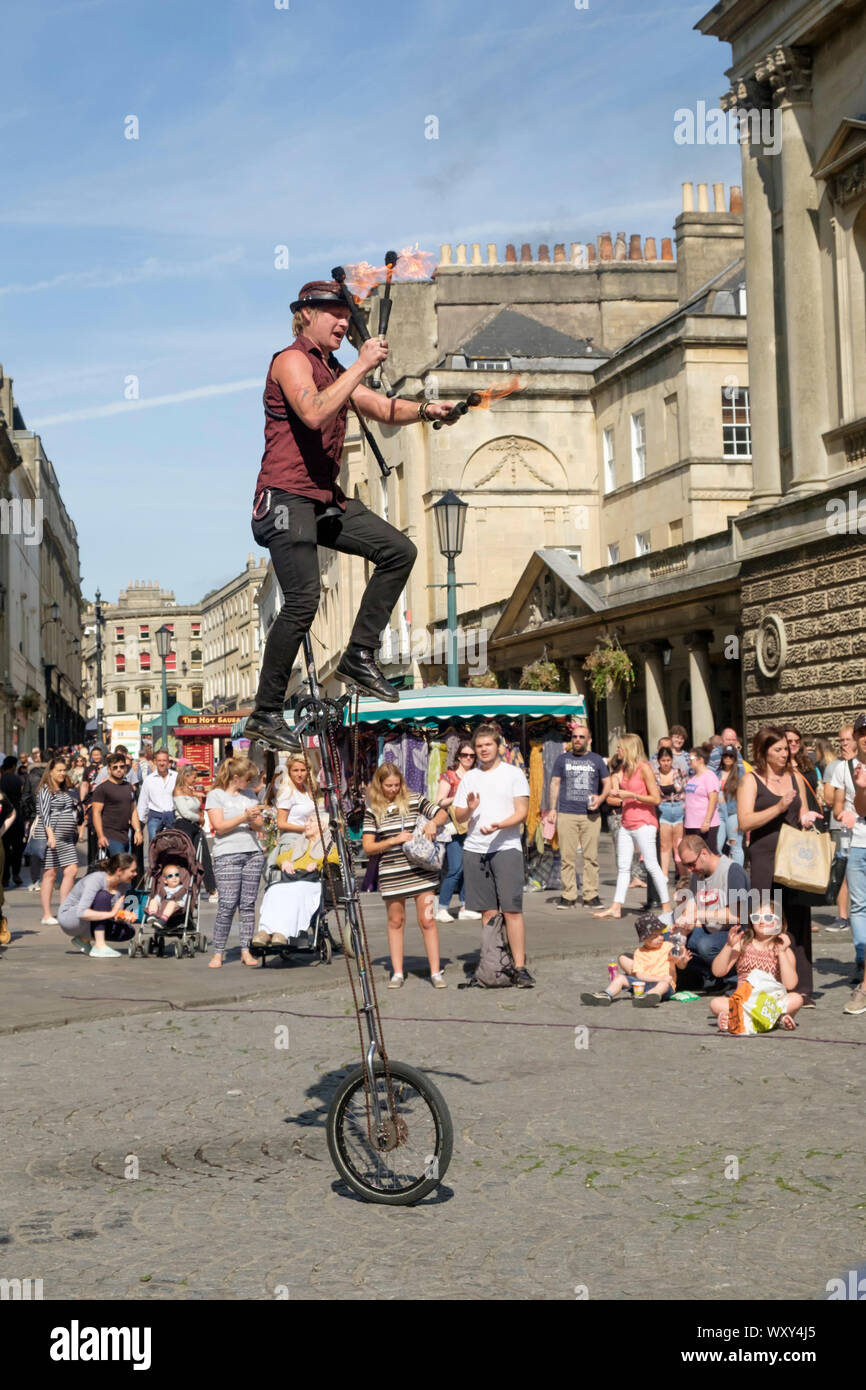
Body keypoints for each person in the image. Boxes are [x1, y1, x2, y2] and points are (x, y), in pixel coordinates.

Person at [243, 278, 461, 754]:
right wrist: (362, 363)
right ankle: (264, 712)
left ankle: (359, 654)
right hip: (285, 499)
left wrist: (427, 410)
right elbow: (315, 412)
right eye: (334, 314)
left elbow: (381, 407)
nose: (344, 322)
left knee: (398, 549)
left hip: (322, 500)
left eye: (347, 314)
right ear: (305, 315)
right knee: (303, 599)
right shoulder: (291, 361)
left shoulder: (333, 367)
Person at [737, 725, 821, 1006]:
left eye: (786, 748)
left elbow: (802, 811)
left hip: (794, 857)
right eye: (778, 750)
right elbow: (745, 822)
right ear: (763, 752)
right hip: (764, 856)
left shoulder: (795, 776)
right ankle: (763, 984)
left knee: (798, 920)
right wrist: (777, 807)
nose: (785, 754)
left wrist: (806, 816)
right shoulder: (751, 780)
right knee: (765, 921)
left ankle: (802, 989)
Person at [453, 724, 534, 987]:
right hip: (475, 849)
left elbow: (522, 811)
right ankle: (492, 964)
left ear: (498, 746)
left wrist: (500, 825)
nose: (483, 750)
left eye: (488, 745)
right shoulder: (470, 778)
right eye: (478, 746)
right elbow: (459, 816)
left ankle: (519, 966)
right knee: (487, 912)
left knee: (512, 910)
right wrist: (470, 808)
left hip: (506, 847)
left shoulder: (513, 774)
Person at [362, 763, 451, 988]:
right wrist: (393, 840)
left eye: (396, 784)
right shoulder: (373, 810)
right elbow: (368, 847)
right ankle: (398, 972)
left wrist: (432, 823)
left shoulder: (414, 799)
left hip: (422, 870)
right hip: (392, 872)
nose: (393, 789)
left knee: (428, 920)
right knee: (395, 921)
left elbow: (442, 813)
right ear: (379, 785)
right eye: (388, 785)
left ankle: (435, 972)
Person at [593, 734, 671, 923]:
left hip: (644, 823)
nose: (617, 750)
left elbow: (656, 799)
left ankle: (667, 907)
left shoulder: (644, 768)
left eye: (620, 747)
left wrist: (632, 795)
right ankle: (616, 906)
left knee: (652, 865)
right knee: (623, 867)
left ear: (629, 748)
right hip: (626, 823)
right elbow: (617, 792)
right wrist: (615, 790)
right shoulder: (623, 768)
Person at [204, 755, 266, 969]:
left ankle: (245, 949)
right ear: (236, 777)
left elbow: (259, 827)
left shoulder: (249, 795)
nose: (250, 785)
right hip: (227, 853)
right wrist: (243, 817)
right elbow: (219, 827)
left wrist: (256, 819)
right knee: (227, 904)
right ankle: (218, 952)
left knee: (248, 905)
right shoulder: (215, 795)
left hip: (252, 852)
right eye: (248, 780)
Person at [674, 832, 751, 988]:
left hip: (738, 933)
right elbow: (690, 909)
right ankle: (711, 976)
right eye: (686, 865)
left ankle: (733, 977)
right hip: (711, 932)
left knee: (705, 945)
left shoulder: (731, 870)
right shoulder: (698, 874)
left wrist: (697, 914)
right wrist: (681, 932)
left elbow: (737, 915)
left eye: (691, 864)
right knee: (674, 943)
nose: (689, 870)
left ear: (703, 853)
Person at [546, 721, 610, 909]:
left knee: (591, 857)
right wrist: (552, 809)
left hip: (591, 815)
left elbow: (608, 783)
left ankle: (591, 895)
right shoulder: (562, 759)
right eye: (574, 737)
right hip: (567, 813)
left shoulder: (597, 760)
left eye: (581, 737)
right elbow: (555, 784)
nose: (577, 740)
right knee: (568, 858)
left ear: (588, 740)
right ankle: (568, 895)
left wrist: (601, 798)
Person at [708, 908, 804, 1033]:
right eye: (756, 917)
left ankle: (737, 1019)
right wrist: (729, 945)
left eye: (768, 918)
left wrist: (781, 951)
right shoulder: (743, 943)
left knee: (796, 999)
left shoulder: (784, 950)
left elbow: (790, 984)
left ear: (779, 923)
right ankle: (774, 1020)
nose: (762, 921)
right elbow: (718, 971)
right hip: (744, 1001)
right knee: (716, 1003)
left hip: (770, 1003)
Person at [581, 912, 692, 1008]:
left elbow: (679, 964)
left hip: (665, 985)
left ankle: (649, 997)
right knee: (620, 978)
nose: (659, 938)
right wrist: (659, 977)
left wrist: (683, 960)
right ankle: (606, 994)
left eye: (660, 934)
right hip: (645, 983)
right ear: (644, 939)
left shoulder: (667, 946)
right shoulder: (639, 952)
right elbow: (639, 975)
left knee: (663, 985)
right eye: (654, 936)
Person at [56, 851, 138, 959]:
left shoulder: (124, 885)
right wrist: (112, 913)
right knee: (103, 896)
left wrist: (122, 915)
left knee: (128, 931)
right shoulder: (96, 879)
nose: (135, 874)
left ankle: (83, 940)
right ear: (119, 871)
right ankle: (100, 946)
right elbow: (82, 912)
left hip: (89, 921)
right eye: (132, 871)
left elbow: (115, 913)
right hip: (70, 917)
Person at [435, 742, 482, 922]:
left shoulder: (477, 776)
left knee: (468, 868)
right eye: (464, 755)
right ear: (458, 756)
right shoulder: (449, 776)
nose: (468, 758)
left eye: (471, 755)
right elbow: (439, 802)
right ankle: (442, 907)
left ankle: (465, 905)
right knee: (455, 867)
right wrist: (458, 796)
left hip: (472, 826)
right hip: (454, 827)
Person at [35, 757, 81, 925]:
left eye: (64, 770)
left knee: (72, 870)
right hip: (51, 837)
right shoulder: (45, 790)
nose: (62, 773)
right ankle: (47, 915)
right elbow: (44, 814)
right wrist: (51, 836)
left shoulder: (63, 789)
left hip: (67, 838)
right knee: (50, 874)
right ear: (51, 771)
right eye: (59, 770)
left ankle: (64, 909)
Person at [823, 724, 856, 933]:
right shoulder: (834, 767)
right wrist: (842, 799)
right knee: (843, 870)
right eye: (841, 740)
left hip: (859, 825)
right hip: (841, 828)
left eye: (847, 739)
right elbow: (828, 798)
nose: (844, 743)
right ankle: (843, 915)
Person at [172, 766, 217, 897]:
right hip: (184, 825)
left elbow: (196, 807)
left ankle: (211, 888)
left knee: (204, 856)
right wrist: (200, 818)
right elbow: (184, 812)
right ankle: (183, 886)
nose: (195, 780)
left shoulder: (191, 791)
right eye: (194, 777)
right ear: (185, 776)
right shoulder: (178, 790)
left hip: (195, 825)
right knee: (186, 858)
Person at [91, 752, 143, 857]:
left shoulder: (128, 787)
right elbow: (96, 813)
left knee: (123, 869)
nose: (119, 769)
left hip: (125, 835)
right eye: (115, 767)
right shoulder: (102, 788)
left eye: (121, 766)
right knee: (121, 868)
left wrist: (137, 830)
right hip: (109, 836)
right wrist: (101, 836)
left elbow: (133, 811)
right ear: (109, 770)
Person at [654, 746, 686, 883]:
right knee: (664, 845)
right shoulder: (654, 775)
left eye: (668, 760)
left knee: (678, 846)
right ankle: (664, 875)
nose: (666, 763)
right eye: (663, 760)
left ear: (672, 760)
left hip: (678, 808)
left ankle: (683, 875)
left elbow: (686, 789)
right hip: (663, 809)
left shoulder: (679, 772)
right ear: (658, 761)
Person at [683, 743, 720, 850]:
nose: (689, 760)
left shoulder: (709, 776)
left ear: (700, 759)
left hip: (704, 824)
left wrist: (707, 821)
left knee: (708, 853)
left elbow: (713, 799)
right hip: (691, 824)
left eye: (691, 758)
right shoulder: (693, 777)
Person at [137, 749, 177, 842]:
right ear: (155, 762)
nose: (162, 763)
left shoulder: (176, 777)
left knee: (175, 845)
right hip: (155, 816)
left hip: (172, 815)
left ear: (168, 762)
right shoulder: (149, 780)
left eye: (164, 760)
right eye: (159, 760)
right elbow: (143, 802)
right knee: (154, 844)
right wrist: (139, 825)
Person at [716, 744, 744, 866]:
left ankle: (738, 877)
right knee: (716, 846)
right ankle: (721, 873)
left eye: (731, 756)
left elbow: (744, 795)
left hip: (734, 814)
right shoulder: (716, 773)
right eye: (725, 755)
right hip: (718, 814)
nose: (728, 758)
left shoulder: (739, 774)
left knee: (735, 846)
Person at [1, 755, 25, 888]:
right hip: (17, 817)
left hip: (3, 819)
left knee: (4, 848)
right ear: (14, 766)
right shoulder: (18, 779)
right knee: (17, 848)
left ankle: (5, 877)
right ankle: (16, 873)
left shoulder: (1, 779)